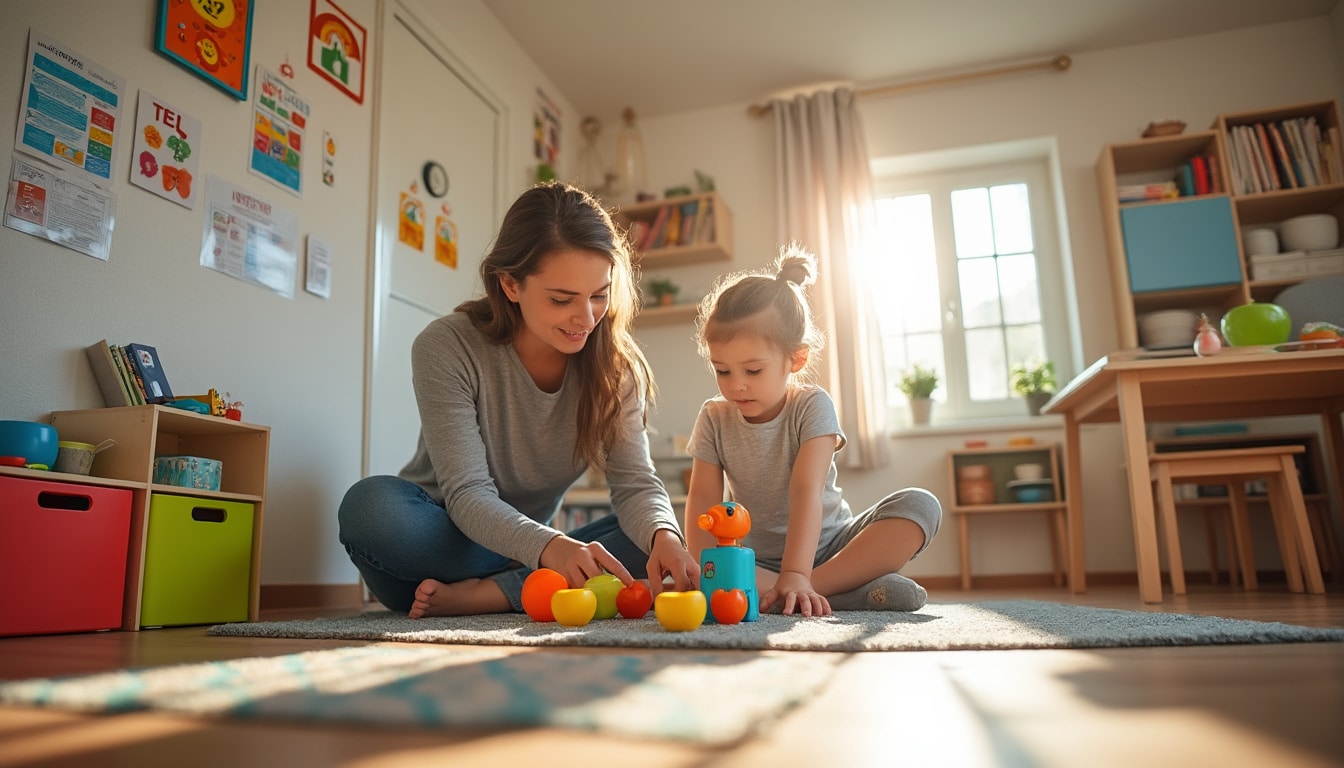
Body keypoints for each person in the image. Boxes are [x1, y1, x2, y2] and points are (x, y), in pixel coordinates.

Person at [339, 181, 699, 618]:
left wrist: (665, 538)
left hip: (522, 552)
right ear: (510, 284)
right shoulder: (447, 346)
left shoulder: (615, 369)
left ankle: (494, 593)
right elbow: (468, 494)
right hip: (440, 542)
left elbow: (637, 484)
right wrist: (547, 547)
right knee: (370, 511)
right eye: (562, 299)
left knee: (665, 537)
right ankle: (526, 577)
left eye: (599, 295)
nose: (586, 319)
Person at [683, 244, 942, 616]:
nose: (736, 385)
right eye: (723, 370)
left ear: (796, 358)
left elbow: (806, 491)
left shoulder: (812, 405)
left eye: (752, 371)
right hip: (750, 561)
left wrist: (797, 572)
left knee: (921, 505)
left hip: (832, 548)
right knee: (710, 562)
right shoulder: (713, 417)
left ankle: (799, 590)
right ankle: (835, 594)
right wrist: (711, 566)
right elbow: (702, 511)